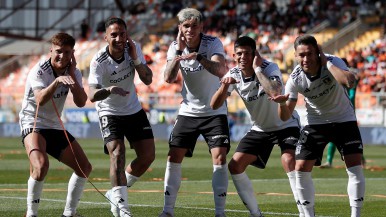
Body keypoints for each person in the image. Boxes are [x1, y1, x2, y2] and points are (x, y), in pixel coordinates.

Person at [271, 35, 365, 217]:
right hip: (316, 123)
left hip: (344, 119)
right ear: (296, 56)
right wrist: (282, 103)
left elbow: (349, 81)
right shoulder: (295, 78)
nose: (305, 59)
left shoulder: (333, 61)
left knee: (354, 167)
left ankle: (356, 215)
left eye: (309, 54)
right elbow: (285, 117)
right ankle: (308, 215)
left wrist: (326, 63)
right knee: (300, 169)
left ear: (317, 52)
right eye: (301, 55)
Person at [210, 36, 303, 217]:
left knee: (288, 161)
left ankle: (304, 212)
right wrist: (223, 88)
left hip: (285, 123)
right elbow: (214, 105)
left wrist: (257, 69)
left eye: (247, 53)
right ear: (234, 55)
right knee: (235, 165)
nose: (242, 57)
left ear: (254, 54)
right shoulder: (234, 74)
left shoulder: (269, 67)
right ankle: (255, 213)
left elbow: (275, 91)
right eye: (239, 54)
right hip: (260, 128)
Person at [158, 8, 230, 217]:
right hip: (188, 111)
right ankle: (168, 211)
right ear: (180, 28)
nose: (190, 29)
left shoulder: (212, 43)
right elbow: (169, 78)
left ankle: (220, 213)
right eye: (186, 26)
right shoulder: (174, 47)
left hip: (215, 110)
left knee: (219, 158)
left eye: (194, 25)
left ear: (201, 26)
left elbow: (220, 69)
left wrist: (198, 57)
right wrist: (179, 54)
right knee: (173, 156)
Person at [88, 17, 155, 217]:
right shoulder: (98, 61)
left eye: (122, 34)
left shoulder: (134, 49)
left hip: (133, 108)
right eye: (114, 35)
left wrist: (135, 59)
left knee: (148, 157)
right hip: (109, 111)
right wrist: (108, 90)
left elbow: (148, 79)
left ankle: (114, 193)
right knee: (117, 153)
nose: (119, 38)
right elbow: (91, 95)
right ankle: (123, 208)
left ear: (127, 34)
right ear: (106, 37)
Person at [19, 32, 92, 217]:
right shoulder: (40, 70)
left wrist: (73, 78)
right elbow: (41, 99)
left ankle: (69, 213)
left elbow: (82, 101)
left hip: (54, 125)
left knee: (84, 167)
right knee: (41, 165)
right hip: (32, 121)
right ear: (51, 50)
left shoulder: (73, 71)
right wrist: (58, 81)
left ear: (72, 54)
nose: (63, 56)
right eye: (59, 51)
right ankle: (31, 214)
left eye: (67, 52)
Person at [320, 58, 366, 168]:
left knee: (352, 139)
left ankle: (360, 160)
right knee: (336, 136)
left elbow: (352, 94)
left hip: (348, 112)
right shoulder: (336, 76)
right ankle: (329, 161)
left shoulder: (346, 76)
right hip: (339, 111)